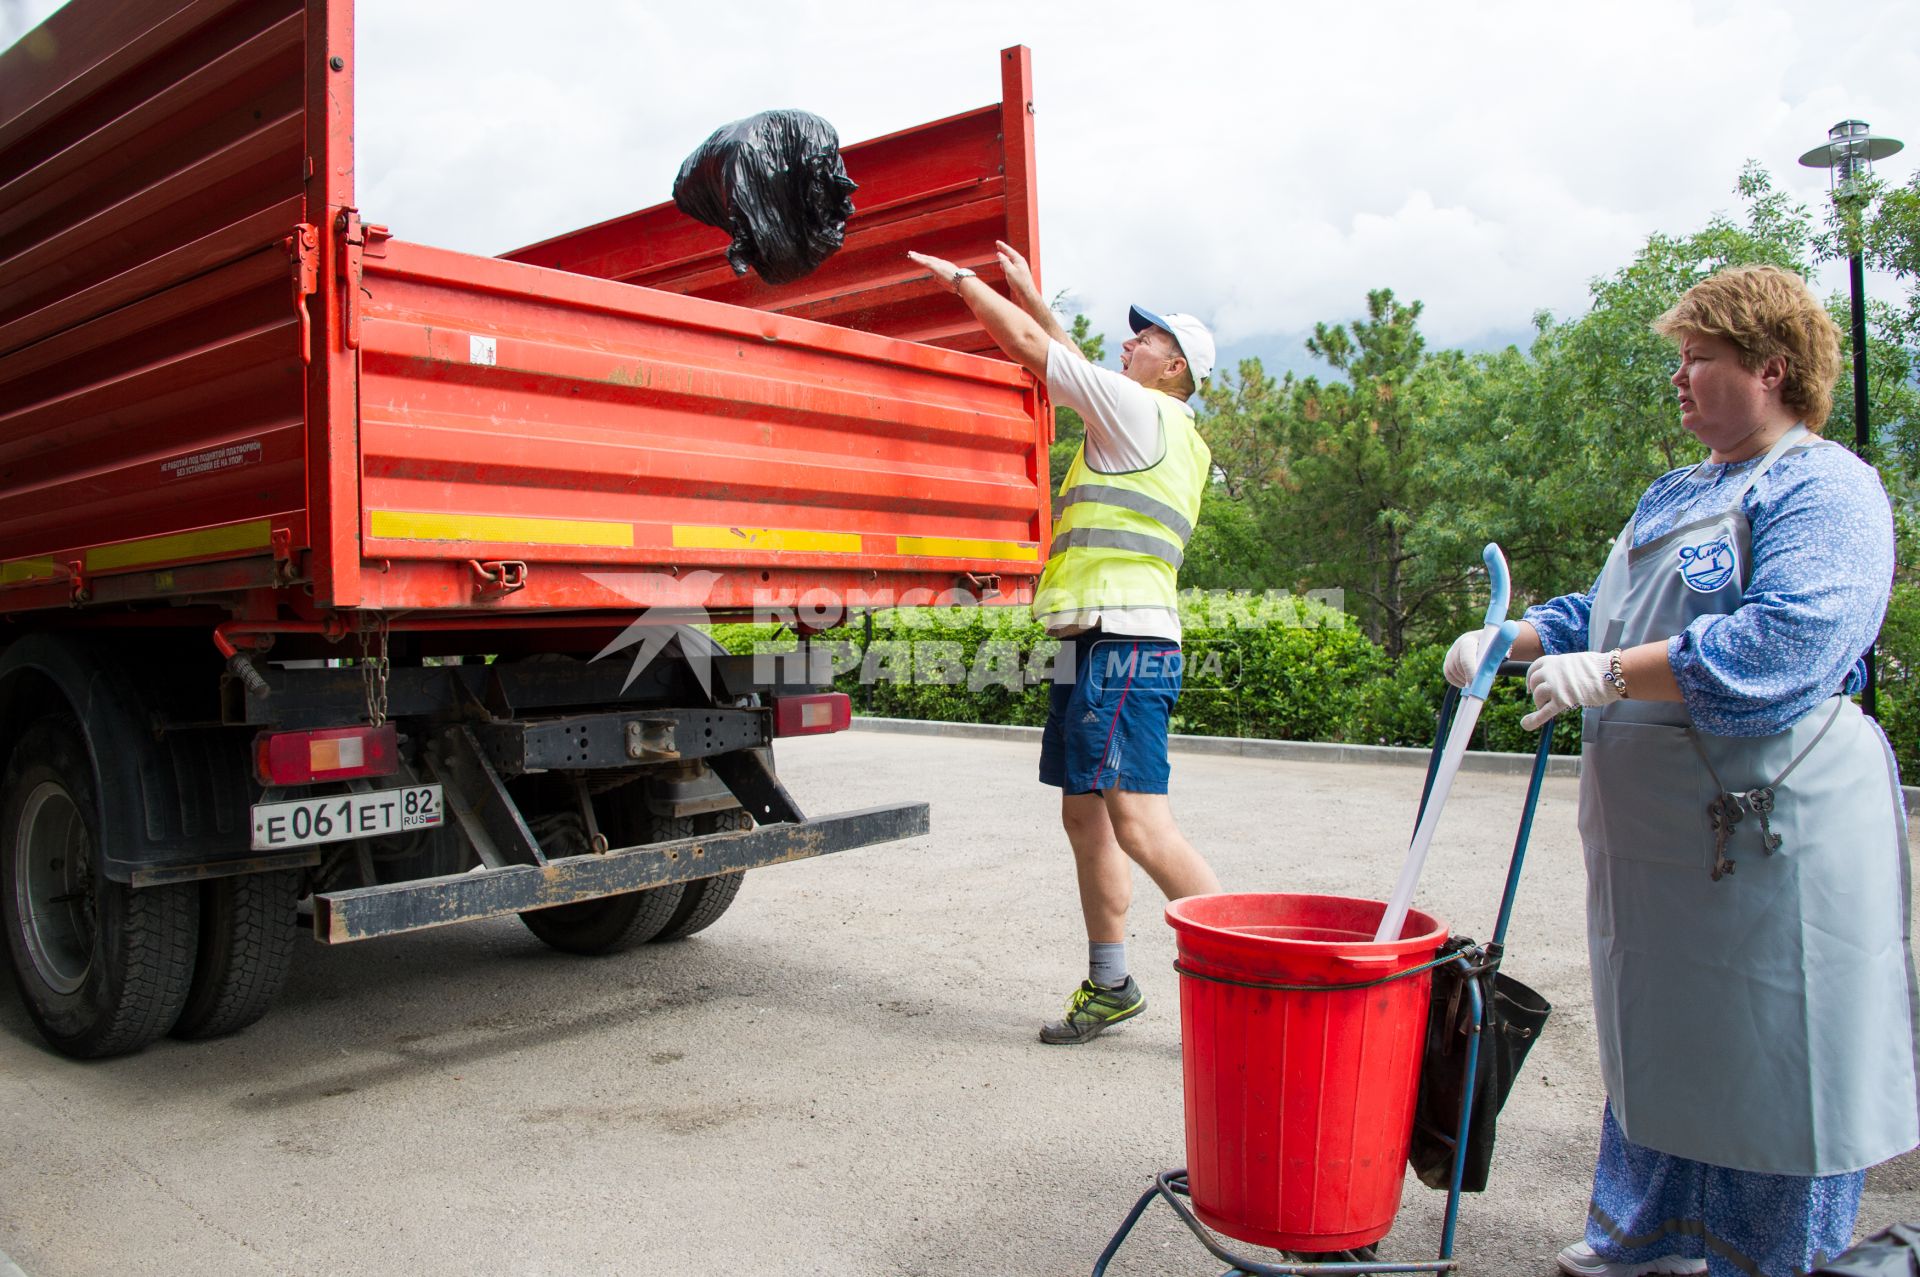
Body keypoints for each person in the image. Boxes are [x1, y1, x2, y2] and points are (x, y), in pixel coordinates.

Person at [1442, 264, 1919, 1277]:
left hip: (1768, 826)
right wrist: (1516, 636)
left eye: (1702, 357)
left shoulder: (1824, 487)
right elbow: (1600, 614)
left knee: (1780, 1050)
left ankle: (1775, 1256)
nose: (1681, 376)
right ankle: (1644, 1231)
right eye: (1682, 357)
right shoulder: (1681, 490)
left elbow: (1784, 642)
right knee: (1661, 1030)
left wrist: (1609, 674)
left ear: (1774, 368)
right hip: (1662, 836)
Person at [906, 241, 1222, 1045]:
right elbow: (1071, 356)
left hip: (1125, 639)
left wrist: (965, 283)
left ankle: (1249, 985)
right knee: (1085, 818)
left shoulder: (1141, 412)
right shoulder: (1152, 418)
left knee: (1141, 823)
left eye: (1146, 339)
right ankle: (1112, 982)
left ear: (1174, 368)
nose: (1129, 342)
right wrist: (1034, 293)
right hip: (1093, 639)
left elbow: (1031, 351)